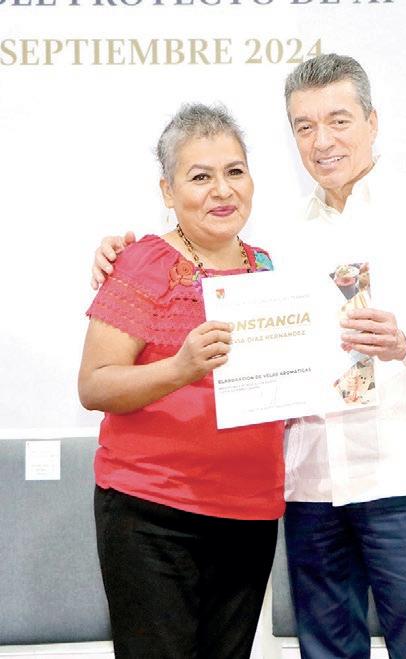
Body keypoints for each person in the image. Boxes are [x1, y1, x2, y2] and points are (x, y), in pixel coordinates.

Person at [91, 55, 406, 659]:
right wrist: (119, 250)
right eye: (304, 126)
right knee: (324, 651)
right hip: (311, 488)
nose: (322, 140)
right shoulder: (274, 237)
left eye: (338, 120)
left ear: (372, 122)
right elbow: (194, 251)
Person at [79, 103, 285, 659]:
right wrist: (180, 368)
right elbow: (94, 385)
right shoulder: (141, 263)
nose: (222, 190)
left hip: (249, 512)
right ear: (168, 191)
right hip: (152, 513)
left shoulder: (268, 268)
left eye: (235, 171)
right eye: (200, 177)